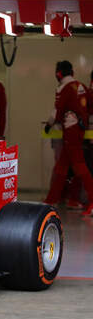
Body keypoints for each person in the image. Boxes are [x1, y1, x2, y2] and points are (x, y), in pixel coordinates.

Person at [43, 61, 93, 215]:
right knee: (62, 167)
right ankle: (52, 200)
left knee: (79, 166)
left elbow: (57, 112)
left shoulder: (63, 88)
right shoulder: (82, 86)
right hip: (80, 130)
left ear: (59, 74)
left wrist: (49, 125)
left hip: (70, 131)